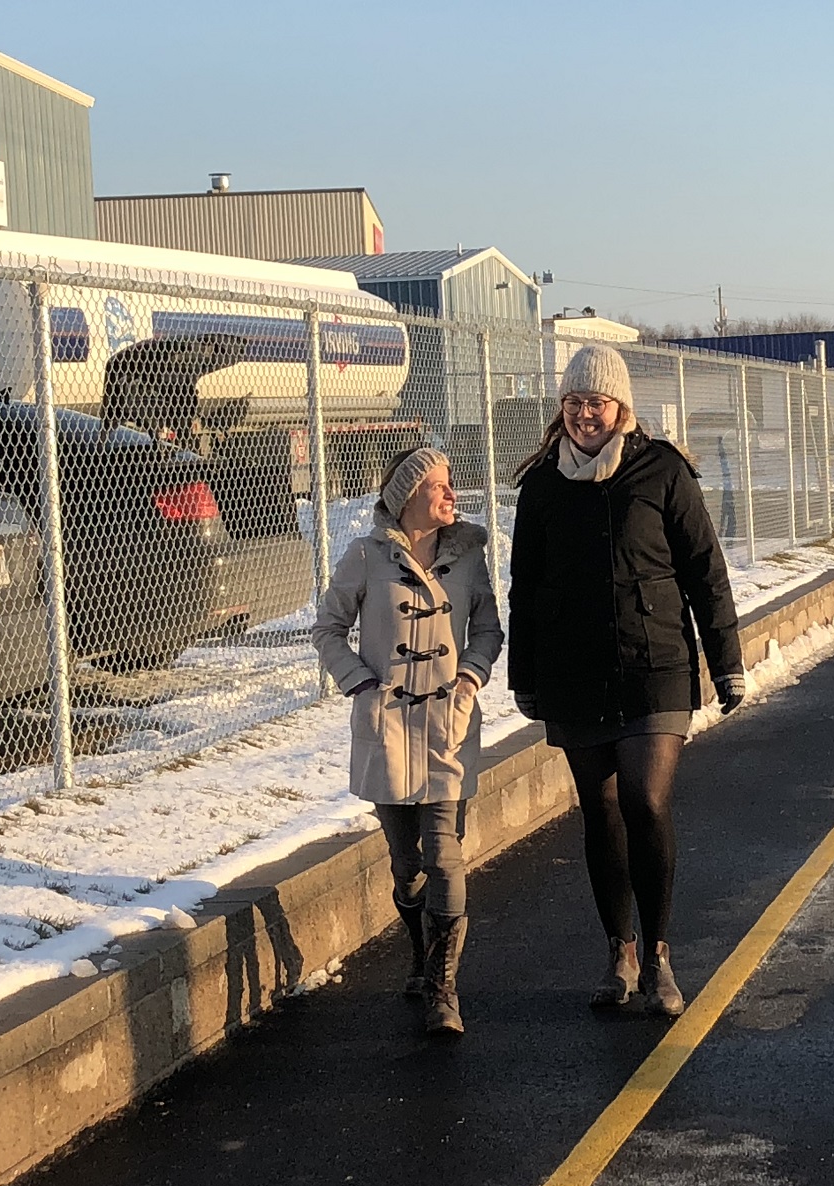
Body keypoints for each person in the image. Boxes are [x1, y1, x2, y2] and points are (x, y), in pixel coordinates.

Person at [506, 344, 746, 1019]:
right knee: (601, 810)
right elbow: (526, 588)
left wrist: (726, 660)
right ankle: (620, 951)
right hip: (574, 671)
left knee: (643, 798)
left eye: (598, 402)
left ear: (621, 408)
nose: (586, 414)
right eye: (575, 402)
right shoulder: (543, 487)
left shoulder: (662, 470)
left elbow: (705, 569)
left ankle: (661, 954)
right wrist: (524, 675)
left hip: (657, 665)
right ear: (563, 409)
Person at [313, 447, 504, 1036]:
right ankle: (420, 956)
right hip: (386, 728)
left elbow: (489, 629)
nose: (452, 494)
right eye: (440, 485)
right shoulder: (367, 555)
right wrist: (361, 684)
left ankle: (444, 987)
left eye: (451, 483)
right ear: (408, 496)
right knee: (407, 864)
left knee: (445, 851)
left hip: (448, 724)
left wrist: (470, 676)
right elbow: (327, 627)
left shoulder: (470, 554)